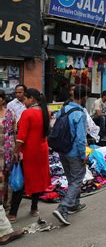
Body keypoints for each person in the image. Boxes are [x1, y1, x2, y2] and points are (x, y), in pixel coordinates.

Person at [8, 89, 51, 223]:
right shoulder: (46, 112)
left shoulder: (28, 113)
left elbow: (21, 138)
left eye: (25, 99)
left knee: (21, 180)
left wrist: (15, 151)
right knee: (37, 178)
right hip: (42, 150)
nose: (23, 102)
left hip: (29, 152)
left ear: (31, 99)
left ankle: (13, 213)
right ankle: (34, 208)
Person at [52, 85, 88, 226]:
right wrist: (82, 155)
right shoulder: (80, 113)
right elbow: (80, 139)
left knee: (71, 178)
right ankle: (64, 207)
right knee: (77, 179)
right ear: (84, 97)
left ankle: (75, 204)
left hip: (62, 150)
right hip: (73, 152)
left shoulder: (63, 109)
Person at [0, 91, 15, 209]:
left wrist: (16, 151)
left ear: (3, 99)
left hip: (8, 150)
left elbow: (14, 132)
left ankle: (6, 203)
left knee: (7, 177)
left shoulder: (10, 113)